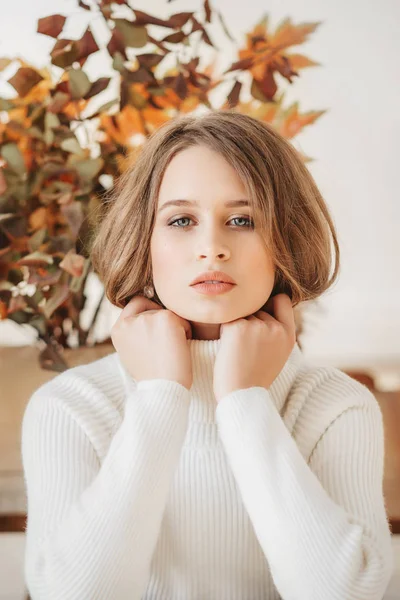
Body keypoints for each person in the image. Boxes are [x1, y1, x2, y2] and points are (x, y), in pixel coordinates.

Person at [21, 109, 393, 600]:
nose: (212, 247)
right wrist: (159, 398)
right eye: (181, 220)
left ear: (287, 241)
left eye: (242, 219)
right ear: (143, 243)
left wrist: (245, 403)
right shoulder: (70, 407)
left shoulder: (338, 407)